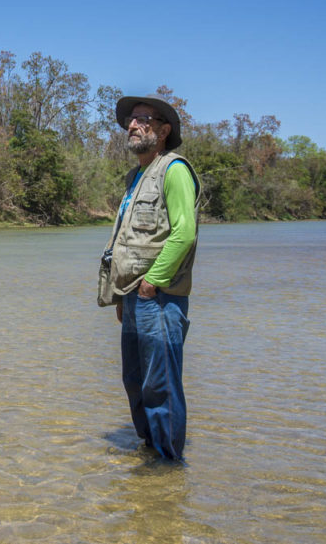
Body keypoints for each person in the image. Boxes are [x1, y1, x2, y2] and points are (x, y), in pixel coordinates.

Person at [98, 94, 201, 460]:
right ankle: (150, 453)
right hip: (134, 297)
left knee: (160, 386)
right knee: (135, 382)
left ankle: (168, 465)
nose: (132, 125)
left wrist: (150, 283)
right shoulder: (135, 177)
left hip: (158, 298)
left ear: (163, 130)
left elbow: (184, 233)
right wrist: (120, 295)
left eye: (142, 119)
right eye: (131, 120)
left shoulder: (174, 170)